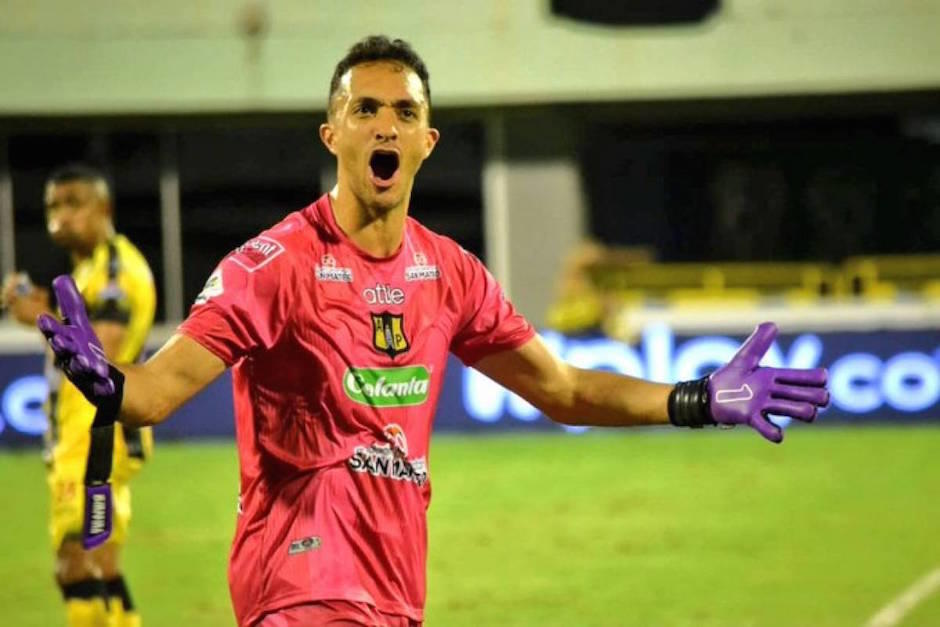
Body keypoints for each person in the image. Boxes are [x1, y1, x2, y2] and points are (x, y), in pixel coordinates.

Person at [37, 37, 829, 627]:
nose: (386, 125)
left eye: (405, 113)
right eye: (365, 109)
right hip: (300, 587)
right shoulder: (272, 265)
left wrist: (692, 398)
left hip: (393, 592)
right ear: (333, 136)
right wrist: (108, 381)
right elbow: (156, 390)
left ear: (427, 142)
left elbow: (564, 388)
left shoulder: (448, 273)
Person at [1, 164, 155, 627]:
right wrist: (42, 306)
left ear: (103, 208)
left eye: (74, 204)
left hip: (90, 439)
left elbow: (99, 353)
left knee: (73, 566)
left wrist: (38, 318)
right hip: (91, 436)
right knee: (103, 568)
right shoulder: (90, 269)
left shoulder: (114, 270)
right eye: (52, 206)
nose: (61, 216)